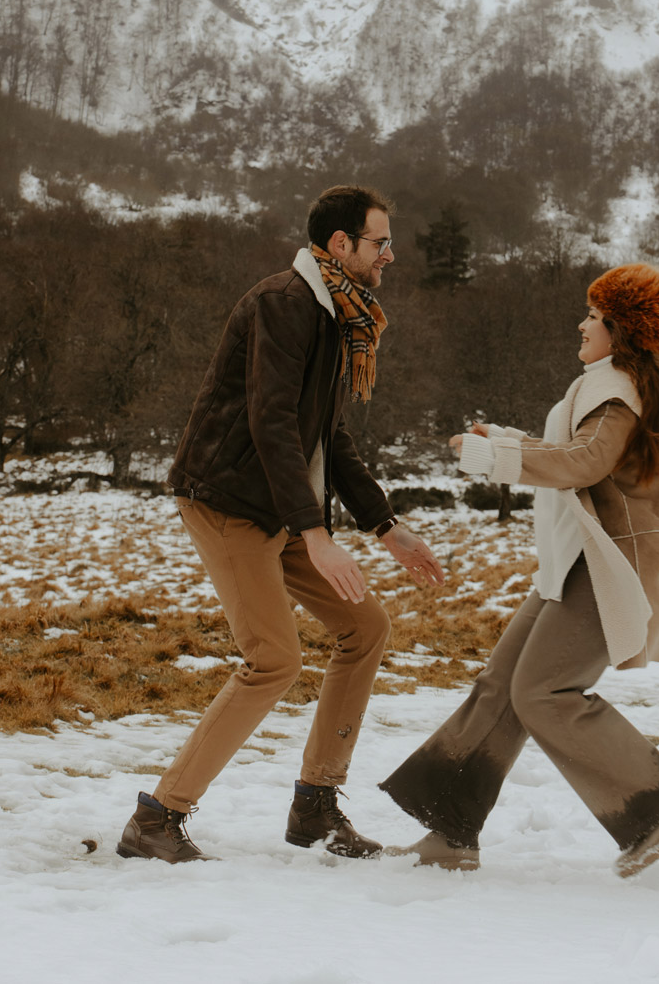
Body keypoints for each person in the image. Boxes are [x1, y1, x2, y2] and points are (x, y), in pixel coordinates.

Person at [117, 184, 445, 864]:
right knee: (274, 658)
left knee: (366, 627)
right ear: (340, 245)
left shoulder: (338, 316)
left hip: (279, 505)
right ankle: (157, 817)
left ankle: (315, 806)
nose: (391, 253)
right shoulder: (285, 304)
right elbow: (270, 423)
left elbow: (327, 435)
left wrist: (386, 527)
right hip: (229, 497)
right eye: (380, 241)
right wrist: (316, 534)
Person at [380, 262, 659, 878]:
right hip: (573, 564)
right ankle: (452, 831)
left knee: (543, 692)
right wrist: (505, 440)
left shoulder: (617, 391)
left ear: (622, 327)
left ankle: (652, 807)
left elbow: (584, 462)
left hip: (606, 567)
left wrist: (493, 455)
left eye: (593, 315)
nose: (582, 323)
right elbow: (576, 454)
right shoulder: (608, 383)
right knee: (501, 686)